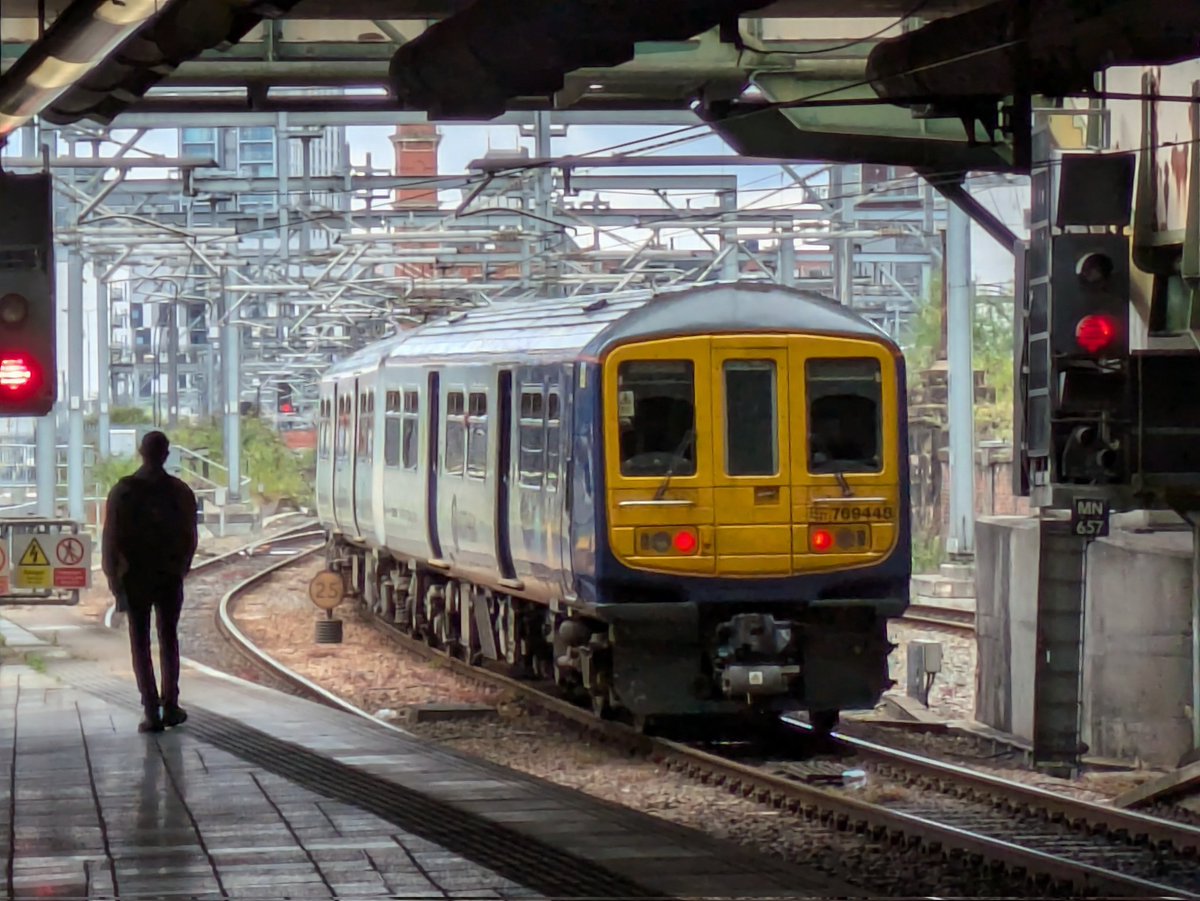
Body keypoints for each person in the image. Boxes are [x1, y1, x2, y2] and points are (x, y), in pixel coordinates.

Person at [102, 431, 199, 733]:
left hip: (135, 576)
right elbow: (190, 538)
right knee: (168, 638)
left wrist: (113, 577)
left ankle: (150, 710)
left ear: (140, 452)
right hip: (168, 575)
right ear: (166, 454)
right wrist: (181, 568)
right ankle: (171, 704)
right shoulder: (180, 492)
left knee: (140, 641)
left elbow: (110, 538)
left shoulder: (124, 491)